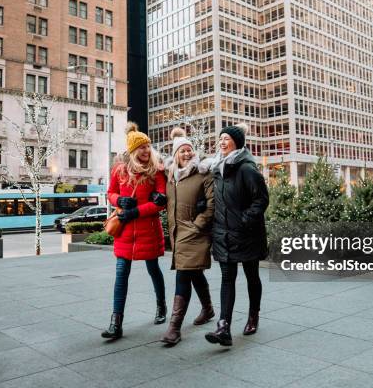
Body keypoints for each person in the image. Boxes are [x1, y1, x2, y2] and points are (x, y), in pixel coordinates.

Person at [101, 122, 168, 341]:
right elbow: (110, 192)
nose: (146, 151)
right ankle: (116, 322)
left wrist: (135, 212)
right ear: (132, 151)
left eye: (148, 146)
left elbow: (161, 203)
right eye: (141, 147)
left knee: (153, 269)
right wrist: (118, 199)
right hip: (125, 232)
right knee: (121, 275)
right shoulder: (120, 170)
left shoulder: (156, 171)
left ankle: (161, 306)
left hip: (147, 230)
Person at [204, 123, 269, 346]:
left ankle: (253, 315)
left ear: (237, 143)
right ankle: (224, 326)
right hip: (224, 234)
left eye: (226, 139)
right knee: (227, 279)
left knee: (252, 276)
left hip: (247, 233)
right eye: (220, 138)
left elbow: (261, 199)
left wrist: (245, 219)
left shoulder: (247, 168)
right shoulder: (218, 169)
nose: (222, 142)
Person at [160, 127, 215, 345]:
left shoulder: (203, 173)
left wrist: (197, 225)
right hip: (177, 233)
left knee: (183, 275)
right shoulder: (171, 176)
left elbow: (212, 205)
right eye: (182, 150)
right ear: (175, 155)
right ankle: (208, 309)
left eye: (189, 150)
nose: (187, 153)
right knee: (194, 273)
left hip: (194, 233)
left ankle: (174, 328)